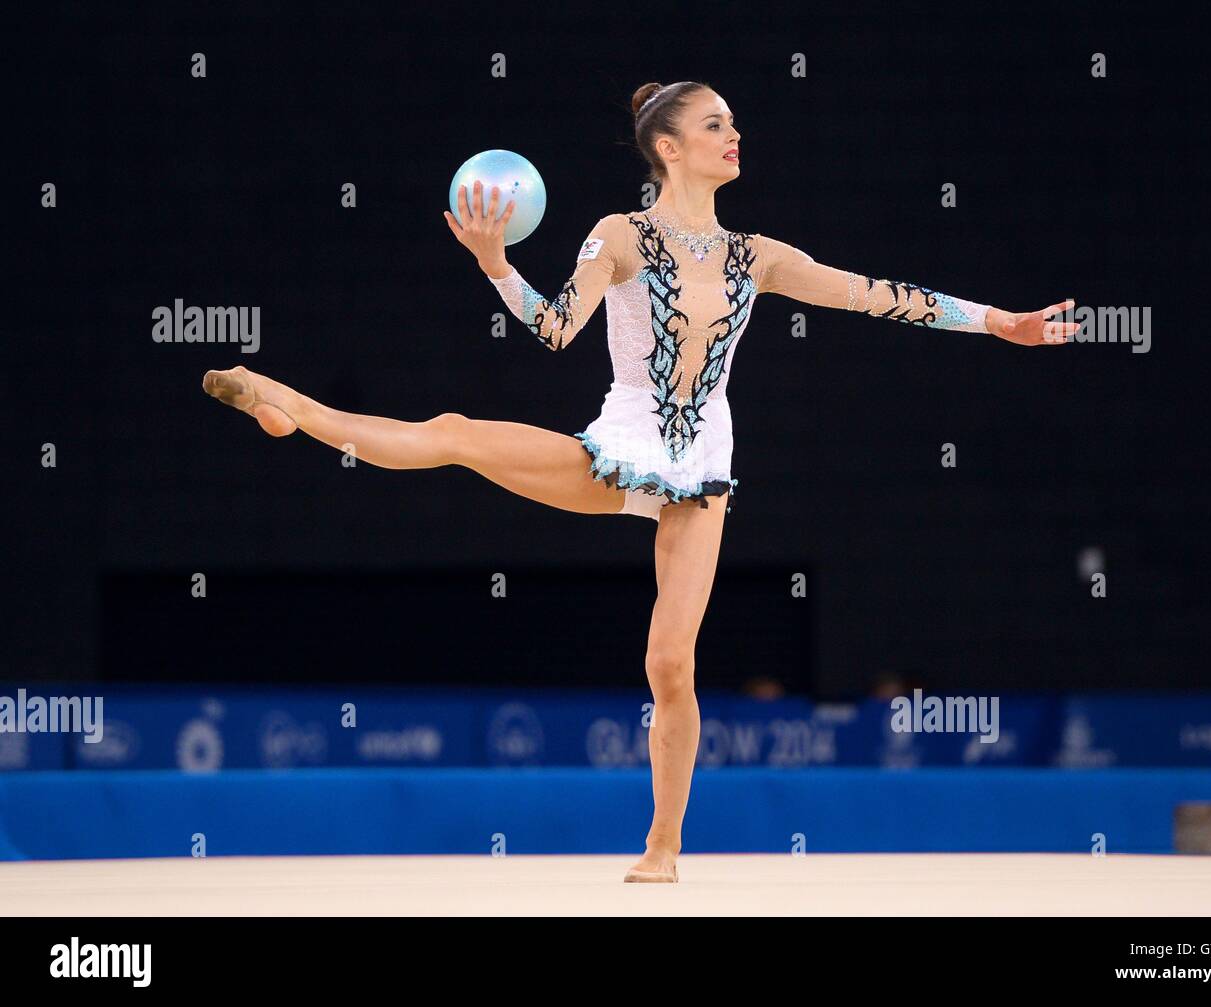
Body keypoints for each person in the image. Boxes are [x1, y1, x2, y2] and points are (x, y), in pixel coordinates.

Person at [203, 79, 1077, 884]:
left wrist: (999, 321)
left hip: (700, 469)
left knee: (670, 662)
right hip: (620, 442)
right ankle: (293, 408)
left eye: (733, 123)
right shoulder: (621, 235)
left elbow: (877, 293)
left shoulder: (755, 255)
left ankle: (663, 846)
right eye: (715, 125)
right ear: (668, 147)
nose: (735, 135)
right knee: (456, 435)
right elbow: (554, 330)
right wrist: (498, 265)